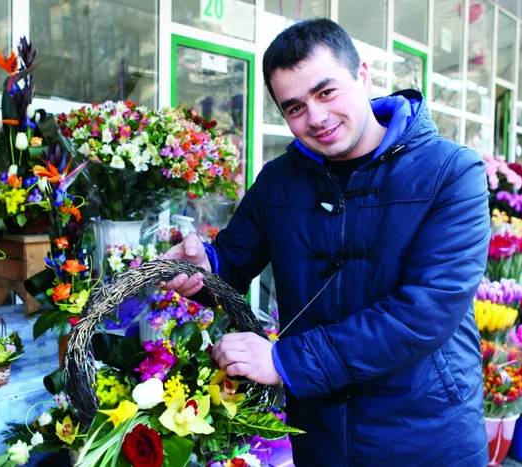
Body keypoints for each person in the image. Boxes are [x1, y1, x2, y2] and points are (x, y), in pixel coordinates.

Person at [161, 18, 490, 466]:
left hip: (426, 435)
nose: (315, 117)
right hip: (320, 437)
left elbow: (424, 313)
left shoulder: (451, 172)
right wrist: (201, 270)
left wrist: (284, 362)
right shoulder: (280, 181)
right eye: (294, 107)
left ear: (364, 75)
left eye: (326, 91)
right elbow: (231, 263)